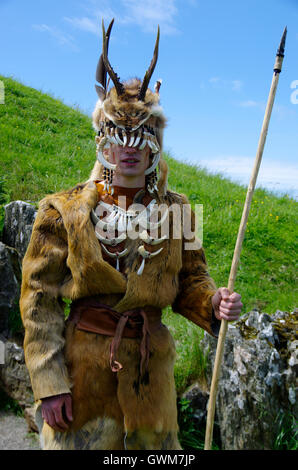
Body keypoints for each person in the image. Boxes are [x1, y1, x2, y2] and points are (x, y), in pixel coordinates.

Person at [20, 20, 242, 450]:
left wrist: (213, 302)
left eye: (140, 135)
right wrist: (49, 383)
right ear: (103, 138)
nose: (129, 148)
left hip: (151, 383)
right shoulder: (61, 211)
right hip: (81, 382)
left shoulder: (176, 210)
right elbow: (38, 299)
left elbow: (191, 281)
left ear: (155, 141)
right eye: (118, 135)